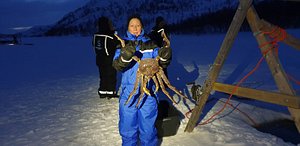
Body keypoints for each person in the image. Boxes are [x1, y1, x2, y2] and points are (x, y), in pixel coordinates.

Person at [112, 15, 172, 146]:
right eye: (132, 26)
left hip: (149, 93)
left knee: (149, 130)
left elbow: (160, 61)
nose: (135, 28)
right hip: (129, 93)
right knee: (128, 128)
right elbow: (117, 65)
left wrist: (164, 57)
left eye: (138, 25)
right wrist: (125, 56)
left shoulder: (151, 43)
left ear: (142, 27)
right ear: (128, 28)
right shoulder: (123, 44)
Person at [92, 16, 121, 98]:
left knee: (103, 76)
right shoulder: (110, 36)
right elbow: (117, 44)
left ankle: (102, 92)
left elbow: (93, 45)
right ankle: (110, 92)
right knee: (111, 76)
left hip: (99, 59)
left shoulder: (96, 35)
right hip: (109, 59)